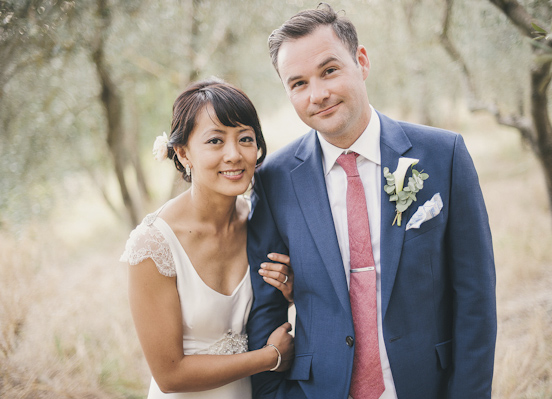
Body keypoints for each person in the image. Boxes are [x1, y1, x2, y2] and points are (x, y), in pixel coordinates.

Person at [246, 3, 497, 398]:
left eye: (329, 70)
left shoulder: (443, 155)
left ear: (361, 62)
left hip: (427, 385)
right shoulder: (273, 181)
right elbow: (263, 312)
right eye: (298, 83)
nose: (319, 94)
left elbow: (475, 297)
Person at [120, 79, 295, 399]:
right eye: (215, 141)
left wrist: (291, 290)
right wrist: (271, 357)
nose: (234, 155)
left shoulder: (258, 221)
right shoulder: (153, 245)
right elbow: (169, 374)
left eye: (245, 139)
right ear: (183, 153)